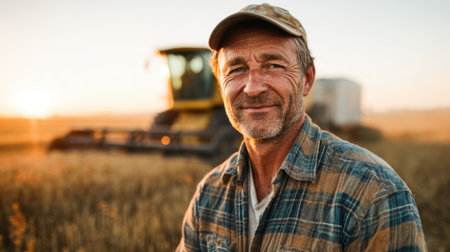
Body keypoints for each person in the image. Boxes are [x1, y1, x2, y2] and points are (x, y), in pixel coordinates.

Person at [177, 3, 427, 251]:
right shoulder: (209, 195)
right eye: (237, 69)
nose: (253, 88)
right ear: (221, 84)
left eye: (274, 65)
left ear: (306, 79)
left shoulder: (373, 193)